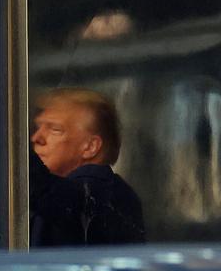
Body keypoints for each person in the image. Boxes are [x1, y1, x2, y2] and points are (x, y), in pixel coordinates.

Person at [30, 87, 146, 246]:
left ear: (91, 147)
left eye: (55, 129)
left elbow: (44, 190)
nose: (36, 138)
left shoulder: (98, 189)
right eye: (38, 128)